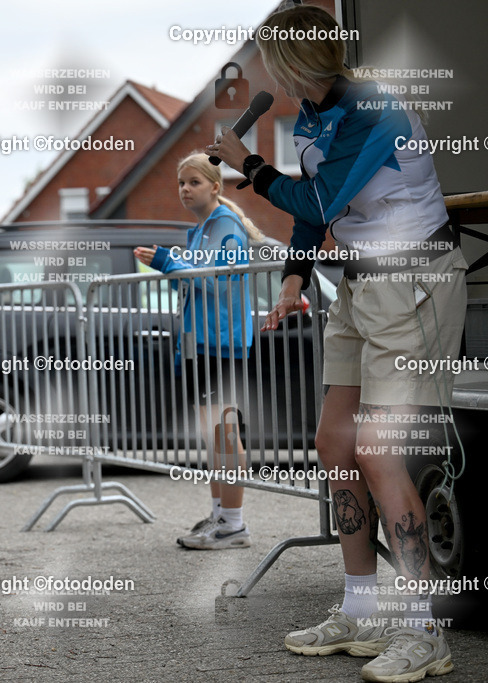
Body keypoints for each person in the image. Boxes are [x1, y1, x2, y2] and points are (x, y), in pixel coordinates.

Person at [208, 5, 466, 681]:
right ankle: (361, 608)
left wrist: (249, 165)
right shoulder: (314, 115)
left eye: (271, 59)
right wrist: (294, 277)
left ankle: (423, 629)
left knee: (380, 452)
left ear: (294, 61)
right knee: (335, 443)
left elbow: (318, 201)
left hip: (412, 282)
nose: (266, 73)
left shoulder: (373, 107)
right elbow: (317, 206)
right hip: (358, 282)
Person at [134, 152, 262, 550]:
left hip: (221, 343)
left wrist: (168, 262)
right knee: (213, 435)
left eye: (194, 182)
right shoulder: (201, 229)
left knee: (225, 433)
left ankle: (234, 525)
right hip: (201, 342)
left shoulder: (225, 225)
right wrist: (171, 268)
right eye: (181, 183)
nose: (185, 189)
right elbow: (195, 285)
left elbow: (222, 282)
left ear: (215, 187)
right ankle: (221, 515)